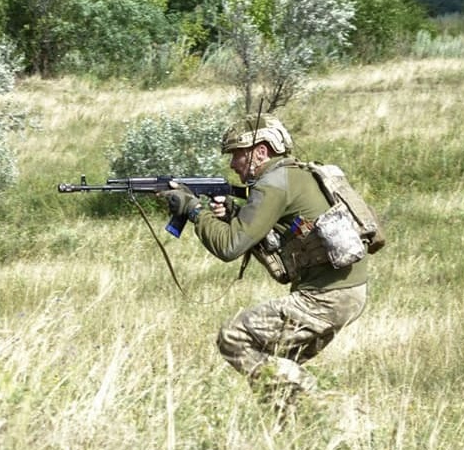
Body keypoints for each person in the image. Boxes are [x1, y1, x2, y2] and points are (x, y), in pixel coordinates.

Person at [158, 114, 369, 421]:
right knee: (274, 360)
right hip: (347, 292)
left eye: (237, 155)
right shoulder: (293, 175)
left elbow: (229, 246)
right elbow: (269, 229)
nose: (232, 164)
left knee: (234, 337)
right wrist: (233, 212)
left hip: (326, 297)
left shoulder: (272, 184)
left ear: (260, 151)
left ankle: (335, 412)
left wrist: (194, 210)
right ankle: (295, 425)